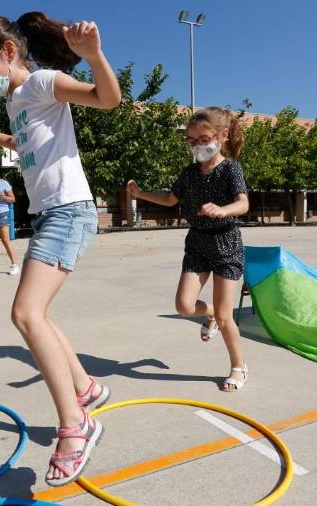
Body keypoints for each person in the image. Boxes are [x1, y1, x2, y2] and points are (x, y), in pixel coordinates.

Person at [0, 11, 120, 486]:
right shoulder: (17, 100)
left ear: (8, 52)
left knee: (27, 315)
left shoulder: (42, 82)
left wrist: (93, 56)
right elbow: (29, 139)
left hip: (69, 210)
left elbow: (108, 100)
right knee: (39, 315)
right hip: (50, 213)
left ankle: (76, 426)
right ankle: (87, 388)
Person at [127, 106, 250, 392]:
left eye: (203, 139)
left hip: (226, 243)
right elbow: (171, 199)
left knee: (225, 316)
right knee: (183, 306)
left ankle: (238, 366)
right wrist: (141, 193)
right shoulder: (190, 173)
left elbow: (243, 203)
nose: (197, 146)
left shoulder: (231, 169)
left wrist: (222, 210)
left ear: (222, 135)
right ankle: (209, 316)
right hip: (197, 242)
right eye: (191, 141)